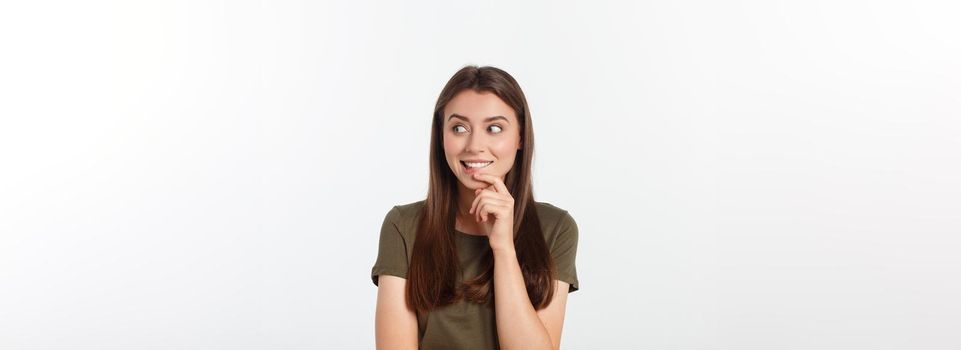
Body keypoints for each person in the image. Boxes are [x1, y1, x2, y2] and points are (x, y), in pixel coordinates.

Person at [371, 65, 579, 350]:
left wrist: (504, 248)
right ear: (441, 136)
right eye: (459, 128)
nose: (475, 145)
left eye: (494, 128)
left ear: (520, 137)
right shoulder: (403, 226)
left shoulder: (555, 228)